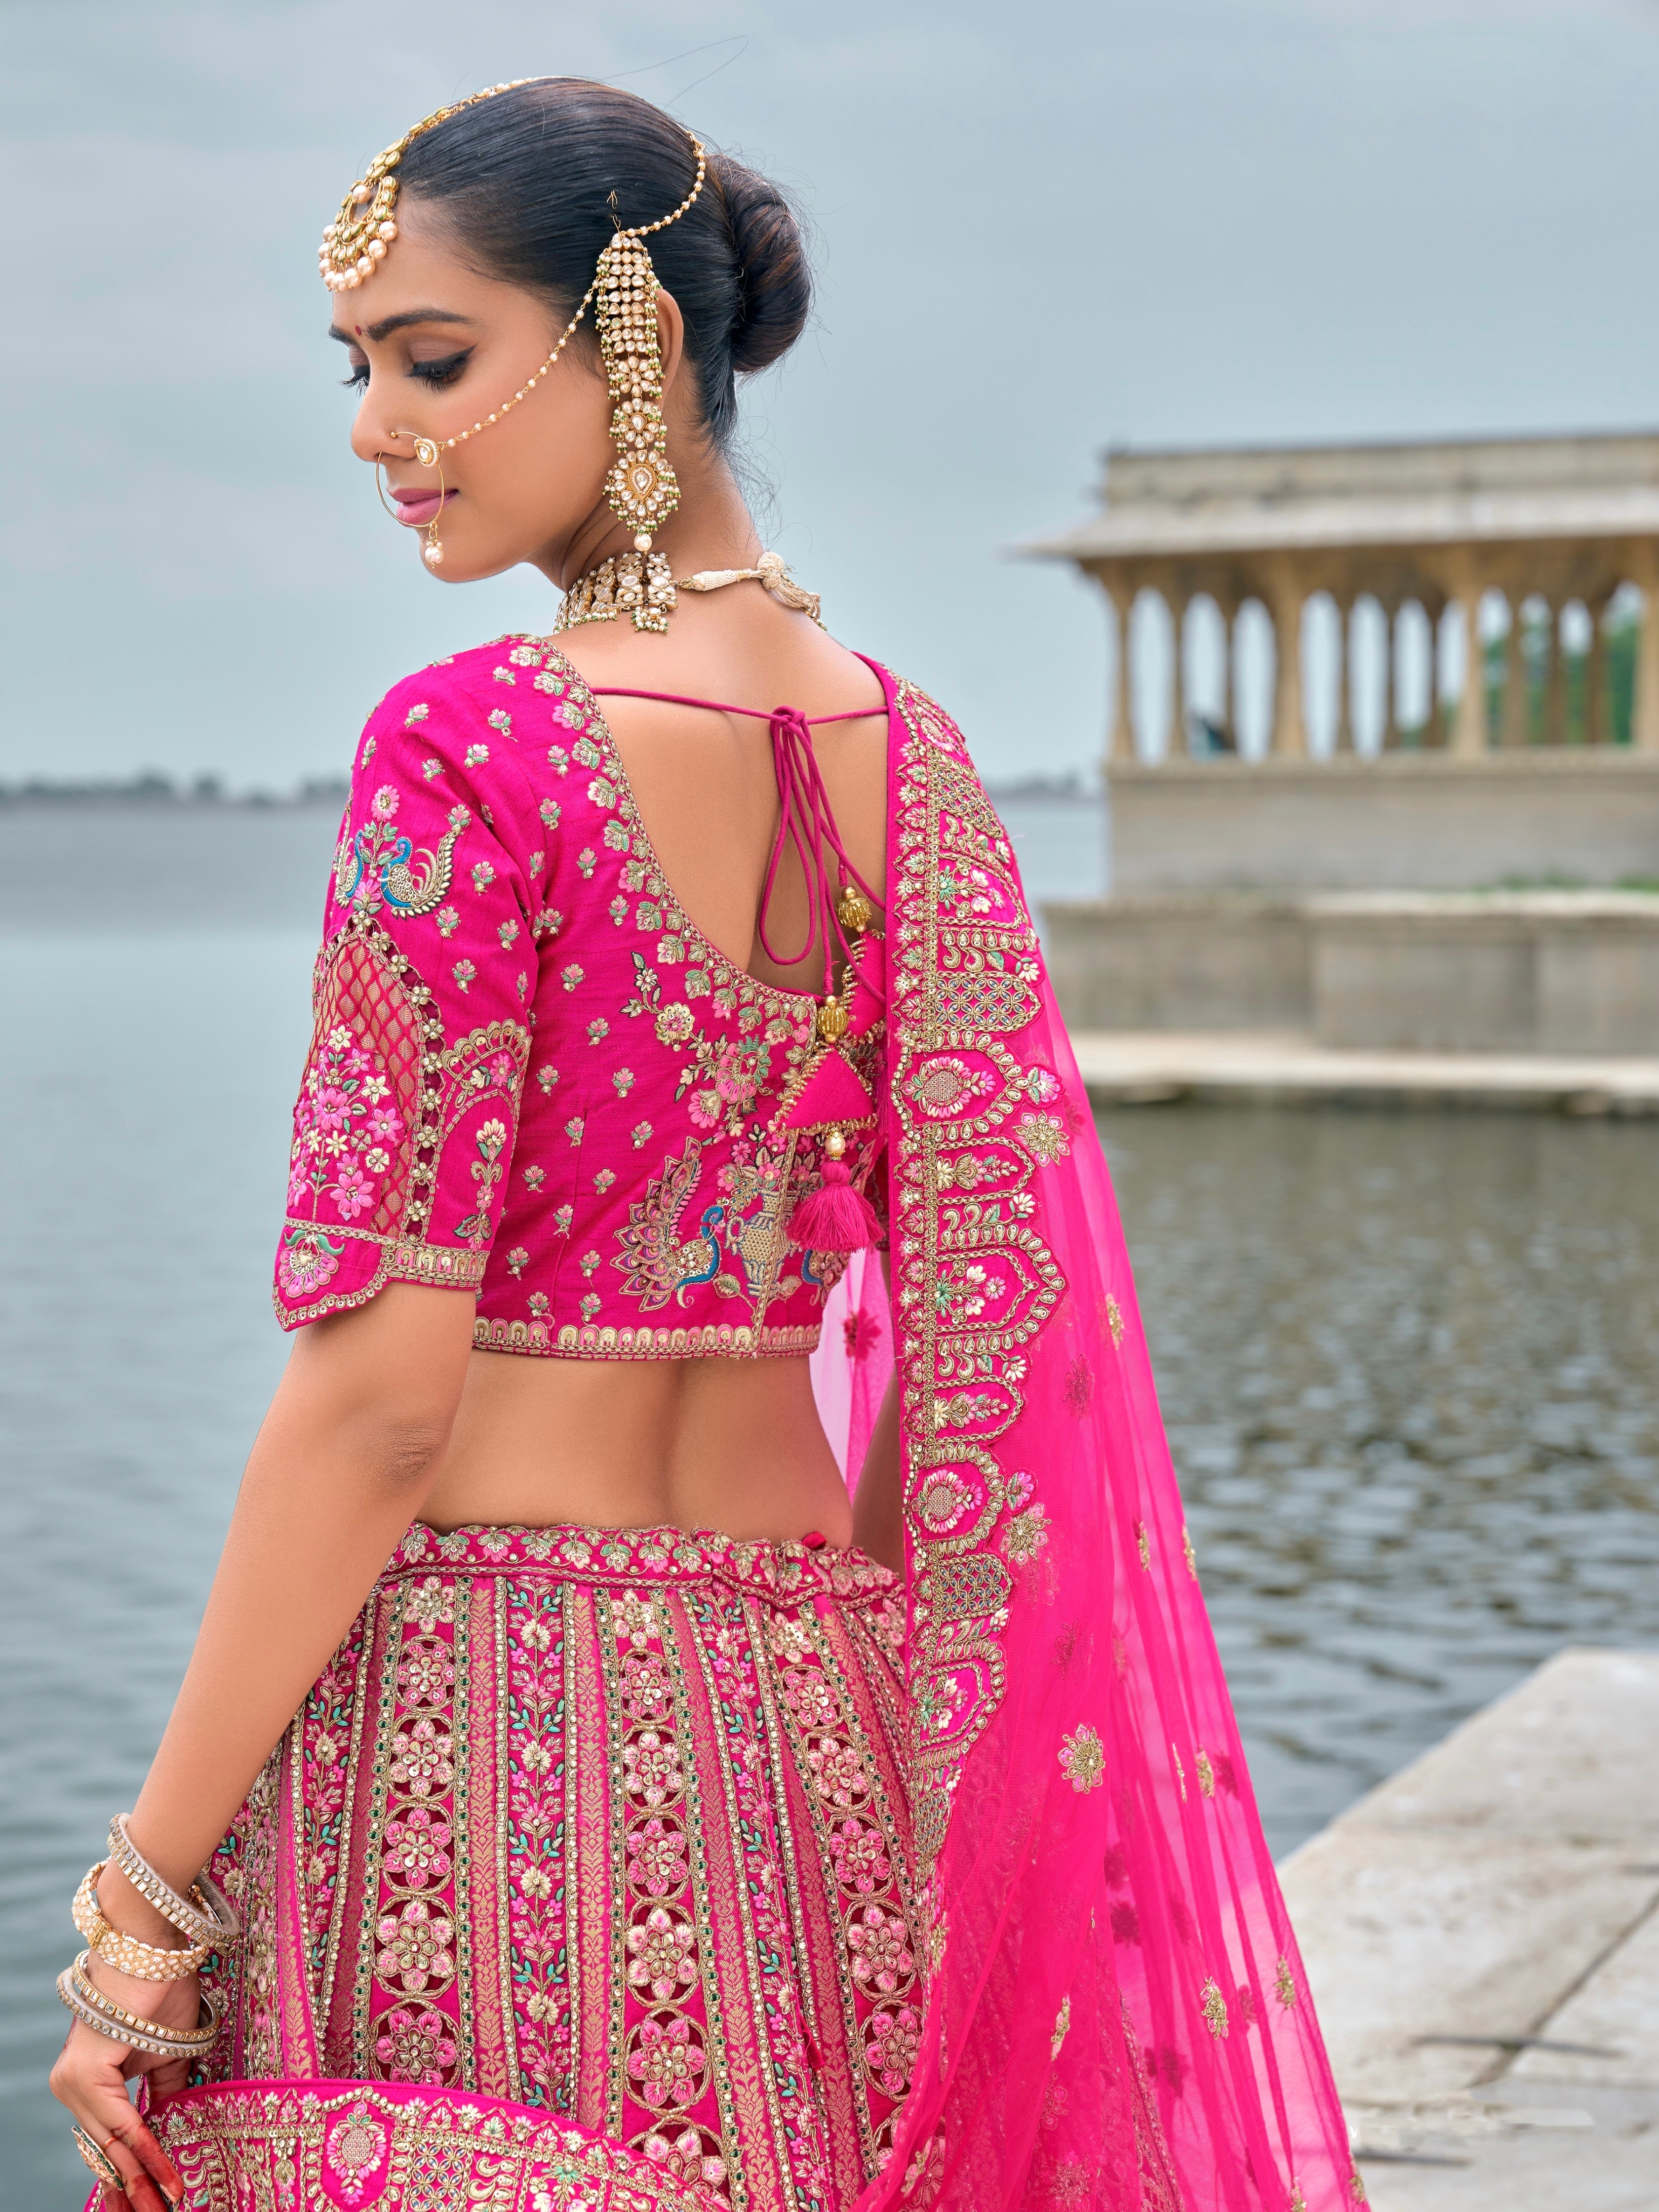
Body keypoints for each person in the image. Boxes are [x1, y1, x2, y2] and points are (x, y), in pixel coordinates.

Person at [49, 77, 1358, 2212]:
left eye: (433, 360)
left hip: (466, 1759)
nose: (375, 430)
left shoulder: (471, 749)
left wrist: (146, 1898)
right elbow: (972, 1375)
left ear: (637, 345)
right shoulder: (919, 766)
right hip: (812, 1766)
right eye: (356, 367)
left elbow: (378, 1407)